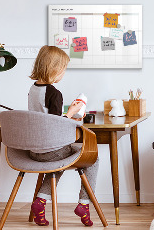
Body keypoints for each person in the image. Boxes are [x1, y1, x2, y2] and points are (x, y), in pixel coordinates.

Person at [28, 45, 98, 227]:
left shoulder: (33, 89)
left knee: (58, 162)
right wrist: (72, 113)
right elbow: (55, 125)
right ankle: (84, 204)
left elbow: (45, 118)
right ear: (54, 69)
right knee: (93, 158)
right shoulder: (54, 93)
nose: (64, 73)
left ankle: (40, 202)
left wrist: (67, 113)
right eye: (64, 69)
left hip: (34, 150)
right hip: (51, 150)